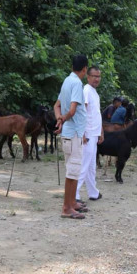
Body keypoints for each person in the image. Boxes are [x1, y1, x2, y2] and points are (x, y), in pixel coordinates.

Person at [54, 54, 88, 219]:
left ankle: (72, 202)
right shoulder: (76, 83)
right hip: (73, 133)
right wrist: (63, 119)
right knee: (72, 171)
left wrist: (59, 119)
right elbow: (73, 110)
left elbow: (57, 105)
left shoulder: (67, 80)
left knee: (73, 169)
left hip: (70, 131)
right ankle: (66, 208)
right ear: (85, 69)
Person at [76, 66, 104, 202]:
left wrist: (100, 132)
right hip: (87, 134)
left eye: (98, 76)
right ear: (88, 77)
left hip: (94, 133)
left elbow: (96, 114)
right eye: (94, 76)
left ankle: (93, 192)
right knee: (84, 164)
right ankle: (74, 194)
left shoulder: (94, 92)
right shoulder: (86, 90)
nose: (96, 79)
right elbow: (82, 112)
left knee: (91, 166)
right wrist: (82, 132)